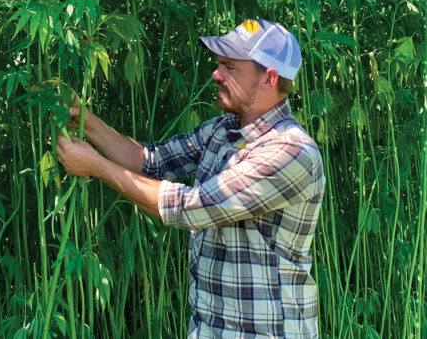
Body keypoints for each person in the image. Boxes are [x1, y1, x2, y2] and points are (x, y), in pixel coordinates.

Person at [56, 18, 325, 338]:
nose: (216, 74)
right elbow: (151, 161)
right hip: (209, 329)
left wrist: (97, 166)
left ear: (269, 78)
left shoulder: (291, 151)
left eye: (230, 67)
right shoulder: (223, 130)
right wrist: (84, 119)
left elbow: (191, 208)